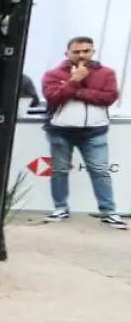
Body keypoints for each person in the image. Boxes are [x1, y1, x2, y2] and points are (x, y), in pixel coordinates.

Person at [41, 35, 123, 229]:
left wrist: (77, 92)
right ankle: (60, 208)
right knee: (59, 171)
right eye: (76, 51)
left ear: (93, 52)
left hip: (94, 131)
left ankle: (108, 211)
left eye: (86, 51)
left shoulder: (106, 73)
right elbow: (53, 97)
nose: (81, 55)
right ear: (67, 53)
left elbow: (109, 97)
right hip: (61, 131)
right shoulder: (53, 74)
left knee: (100, 171)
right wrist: (75, 81)